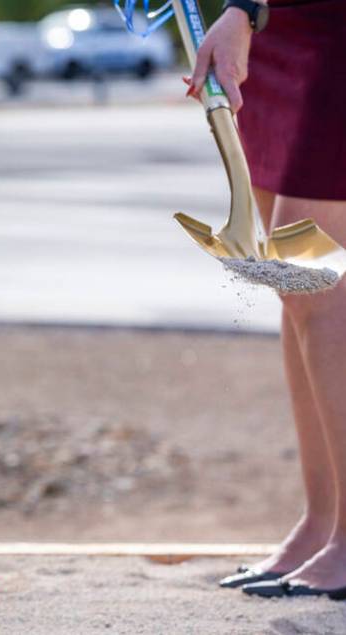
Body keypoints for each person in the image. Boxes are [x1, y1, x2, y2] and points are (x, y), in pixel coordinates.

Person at [187, 0, 346, 600]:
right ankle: (322, 522)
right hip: (274, 27)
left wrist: (239, 12)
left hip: (322, 24)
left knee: (314, 281)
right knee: (295, 286)